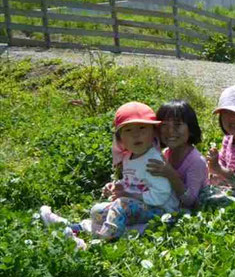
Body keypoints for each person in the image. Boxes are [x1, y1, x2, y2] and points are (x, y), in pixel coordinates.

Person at [40, 102, 179, 247]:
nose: (136, 135)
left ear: (153, 132)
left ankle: (101, 241)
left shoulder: (152, 160)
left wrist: (128, 195)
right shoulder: (129, 157)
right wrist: (117, 187)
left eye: (142, 128)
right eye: (128, 130)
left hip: (160, 211)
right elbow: (134, 182)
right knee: (97, 211)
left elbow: (161, 195)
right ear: (120, 139)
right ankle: (74, 227)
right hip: (138, 207)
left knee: (121, 205)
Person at [146, 100, 208, 210]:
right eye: (164, 125)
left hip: (183, 216)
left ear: (191, 128)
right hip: (163, 205)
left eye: (177, 124)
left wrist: (171, 175)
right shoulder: (165, 153)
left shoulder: (197, 162)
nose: (170, 131)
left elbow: (190, 201)